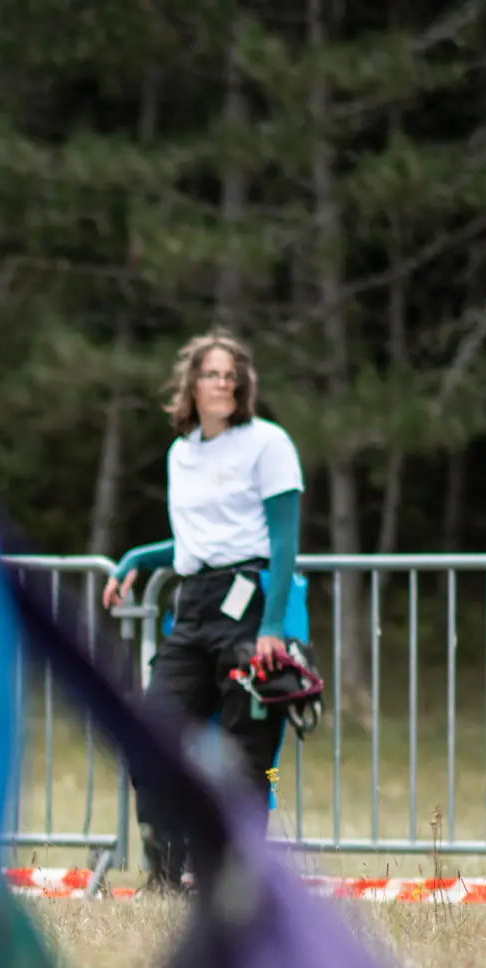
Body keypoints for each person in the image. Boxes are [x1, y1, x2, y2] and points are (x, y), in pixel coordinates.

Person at [102, 328, 304, 892]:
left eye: (232, 375)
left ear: (244, 386)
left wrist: (272, 627)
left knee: (245, 758)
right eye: (212, 373)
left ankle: (235, 883)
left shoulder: (269, 444)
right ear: (191, 383)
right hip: (192, 607)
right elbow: (194, 541)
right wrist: (138, 557)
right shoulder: (181, 454)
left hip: (251, 603)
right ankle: (165, 879)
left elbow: (283, 543)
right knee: (154, 743)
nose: (223, 383)